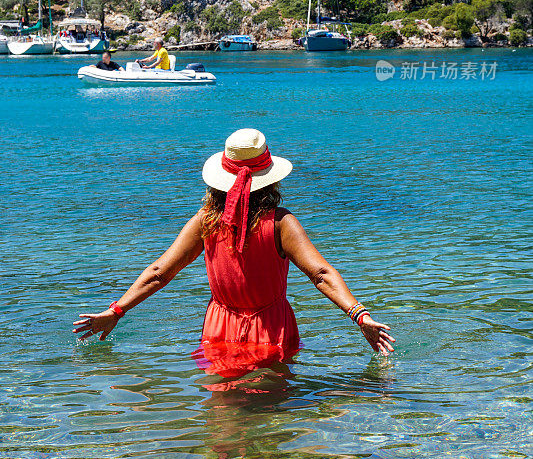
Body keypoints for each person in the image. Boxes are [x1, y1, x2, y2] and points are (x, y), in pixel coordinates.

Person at [72, 129, 395, 376]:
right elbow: (321, 275)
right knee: (273, 413)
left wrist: (116, 310)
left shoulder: (204, 222)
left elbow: (160, 273)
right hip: (271, 327)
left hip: (219, 327)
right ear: (270, 180)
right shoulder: (281, 223)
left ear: (219, 181)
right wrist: (359, 316)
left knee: (223, 412)